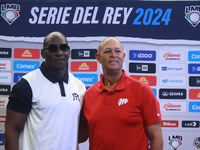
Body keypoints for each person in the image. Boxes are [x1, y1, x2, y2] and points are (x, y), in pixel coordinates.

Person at [4, 31, 86, 150]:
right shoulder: (27, 84)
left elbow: (73, 134)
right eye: (52, 48)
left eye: (63, 48)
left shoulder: (79, 87)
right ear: (43, 53)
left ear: (69, 52)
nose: (59, 53)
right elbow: (12, 130)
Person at [82, 37, 163, 150]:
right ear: (98, 58)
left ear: (123, 57)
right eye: (107, 51)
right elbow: (81, 135)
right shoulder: (88, 95)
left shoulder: (142, 90)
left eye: (118, 51)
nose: (113, 54)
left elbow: (156, 137)